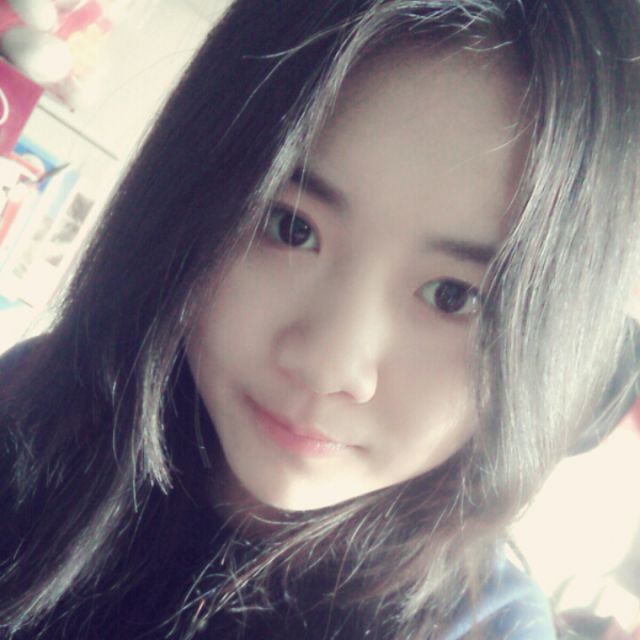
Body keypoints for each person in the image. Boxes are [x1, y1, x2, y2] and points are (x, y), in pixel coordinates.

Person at [1, 1, 639, 638]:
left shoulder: (485, 625)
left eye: (454, 296)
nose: (328, 366)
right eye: (291, 227)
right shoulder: (48, 410)